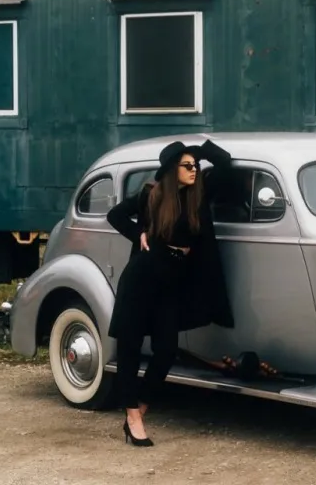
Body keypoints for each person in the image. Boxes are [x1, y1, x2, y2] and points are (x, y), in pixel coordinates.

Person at [106, 138, 235, 447]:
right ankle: (133, 418)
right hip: (142, 276)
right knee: (130, 348)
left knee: (165, 351)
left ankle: (139, 410)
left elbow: (226, 164)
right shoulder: (151, 195)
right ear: (171, 170)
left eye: (196, 166)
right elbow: (115, 216)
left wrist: (198, 150)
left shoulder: (198, 195)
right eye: (187, 165)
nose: (194, 170)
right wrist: (139, 234)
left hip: (172, 280)